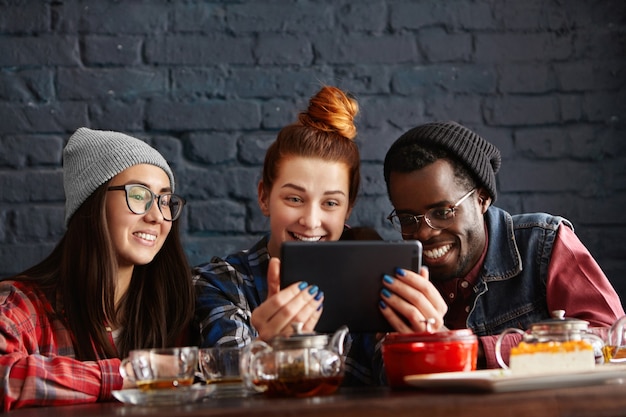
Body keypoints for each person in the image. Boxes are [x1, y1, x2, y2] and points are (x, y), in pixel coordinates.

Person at [193, 86, 447, 386]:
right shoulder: (220, 282)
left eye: (330, 203)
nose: (311, 221)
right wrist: (262, 352)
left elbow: (405, 391)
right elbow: (221, 396)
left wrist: (428, 346)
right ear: (264, 197)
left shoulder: (376, 284)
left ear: (347, 209)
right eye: (294, 199)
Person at [382, 120, 625, 368]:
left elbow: (616, 343)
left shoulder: (542, 244)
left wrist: (466, 350)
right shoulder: (403, 283)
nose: (423, 233)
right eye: (407, 219)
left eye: (442, 213)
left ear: (482, 199)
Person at [0, 128, 195, 410]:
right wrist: (125, 375)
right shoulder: (22, 304)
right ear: (93, 203)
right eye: (139, 196)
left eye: (164, 200)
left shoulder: (172, 308)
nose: (156, 217)